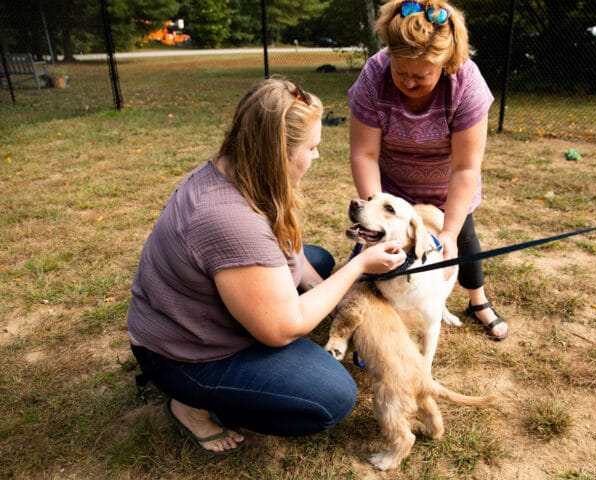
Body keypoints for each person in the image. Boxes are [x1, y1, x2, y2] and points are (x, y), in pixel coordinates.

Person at [127, 78, 407, 455]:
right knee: (332, 397)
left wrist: (325, 282)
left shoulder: (242, 172)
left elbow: (290, 250)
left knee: (319, 263)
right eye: (312, 147)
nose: (318, 156)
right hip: (182, 356)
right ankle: (192, 406)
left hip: (195, 315)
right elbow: (282, 328)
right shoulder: (230, 221)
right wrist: (357, 268)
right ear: (278, 151)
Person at [348, 0, 508, 340]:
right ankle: (378, 315)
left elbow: (466, 168)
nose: (408, 82)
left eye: (420, 75)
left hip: (446, 188)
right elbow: (364, 153)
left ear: (445, 64)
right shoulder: (373, 76)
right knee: (372, 261)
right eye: (400, 72)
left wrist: (448, 232)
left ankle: (477, 301)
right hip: (393, 190)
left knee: (464, 242)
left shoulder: (466, 84)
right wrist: (378, 214)